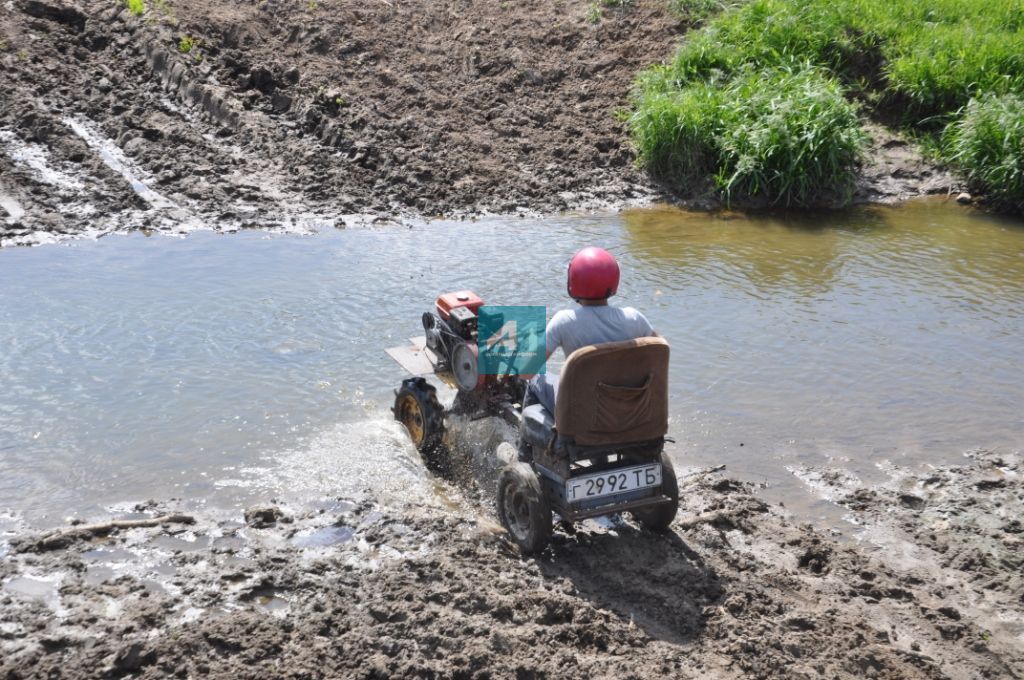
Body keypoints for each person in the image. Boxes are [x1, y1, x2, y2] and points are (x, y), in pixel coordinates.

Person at [528, 247, 655, 414]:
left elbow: (526, 372)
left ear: (572, 281)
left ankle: (528, 439)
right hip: (624, 411)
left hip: (580, 415)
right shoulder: (635, 318)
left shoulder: (563, 321)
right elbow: (661, 349)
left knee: (535, 379)